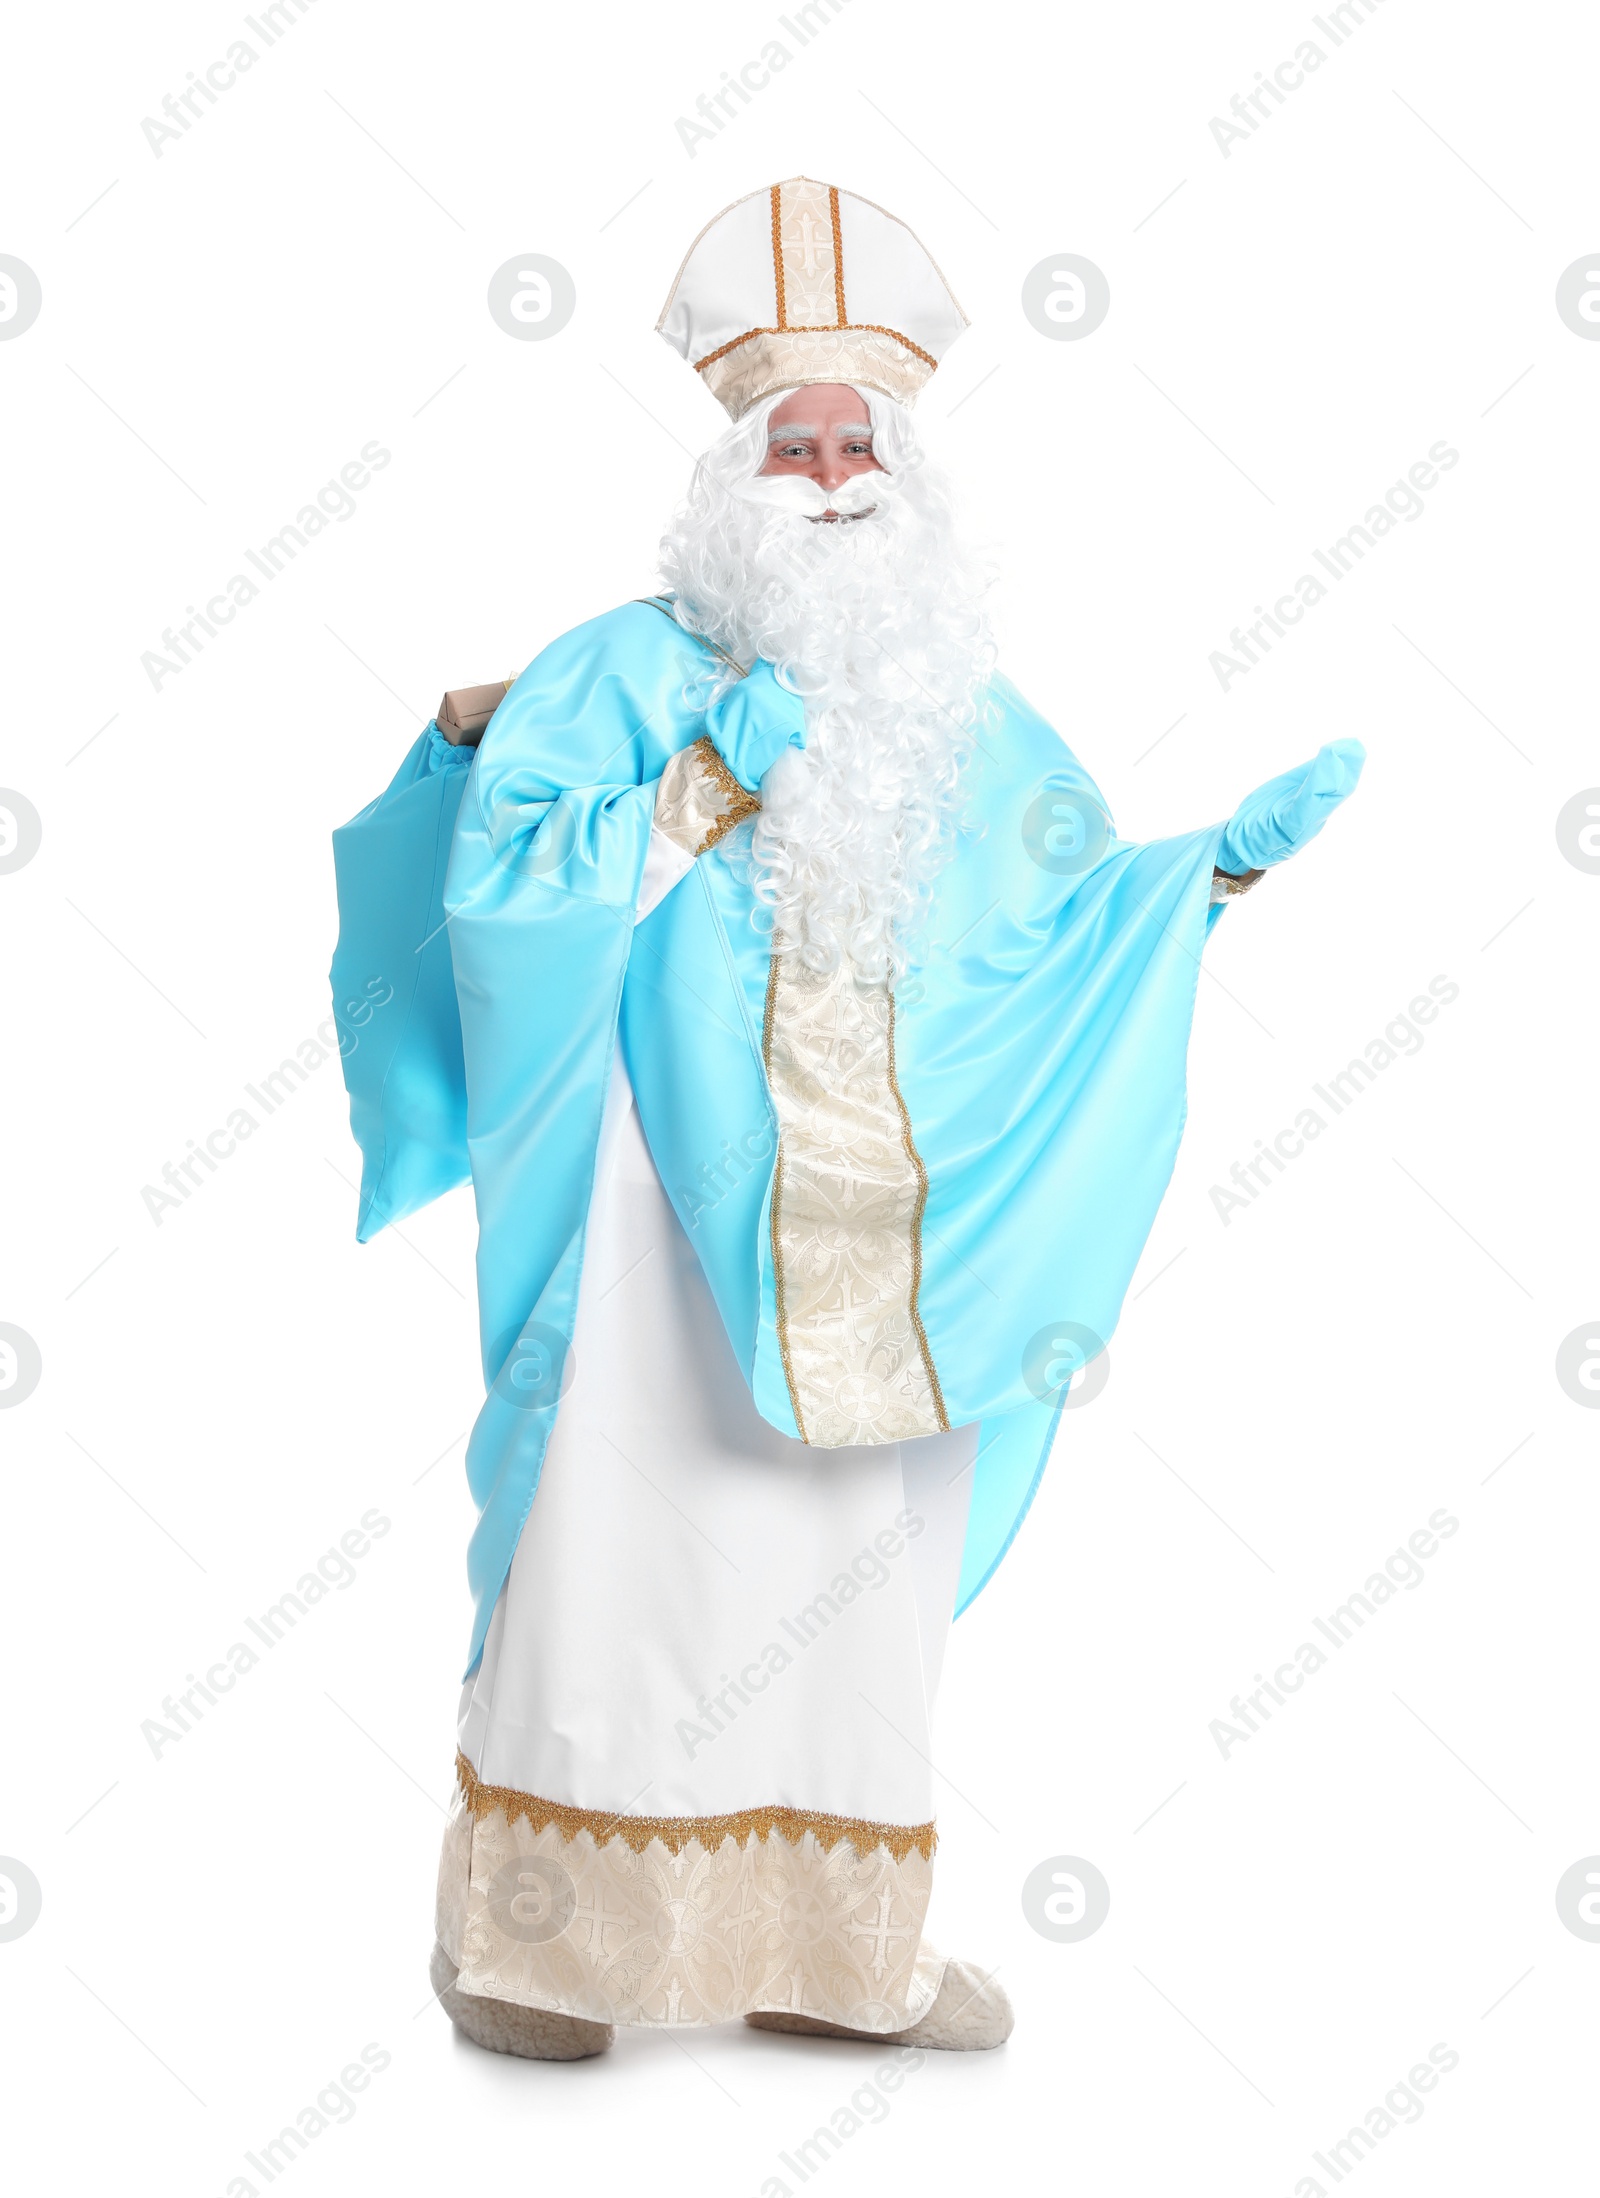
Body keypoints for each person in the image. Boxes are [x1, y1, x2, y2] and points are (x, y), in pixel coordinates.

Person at [330, 176, 1362, 2064]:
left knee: (846, 1572)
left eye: (854, 442)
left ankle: (830, 1952)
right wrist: (706, 780)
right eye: (788, 443)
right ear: (730, 473)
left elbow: (1053, 910)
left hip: (883, 1243)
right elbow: (505, 892)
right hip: (651, 1210)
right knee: (620, 1547)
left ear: (907, 468)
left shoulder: (955, 704)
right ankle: (536, 1950)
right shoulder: (619, 666)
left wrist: (1198, 881)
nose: (824, 474)